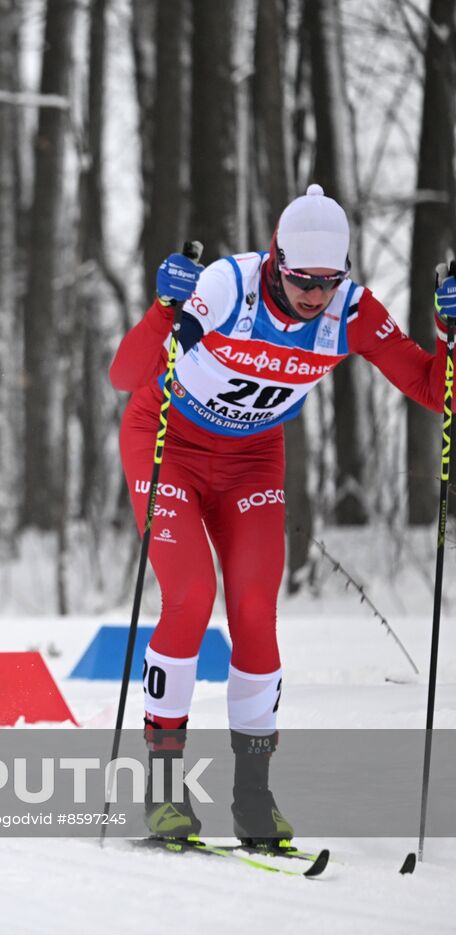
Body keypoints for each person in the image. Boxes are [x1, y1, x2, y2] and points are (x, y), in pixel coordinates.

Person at [109, 184, 456, 846]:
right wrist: (163, 312)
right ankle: (161, 791)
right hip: (169, 440)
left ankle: (252, 797)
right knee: (189, 595)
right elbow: (126, 376)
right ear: (276, 258)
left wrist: (449, 333)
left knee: (253, 608)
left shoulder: (350, 311)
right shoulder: (227, 286)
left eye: (330, 282)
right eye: (303, 281)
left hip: (251, 461)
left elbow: (435, 390)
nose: (316, 297)